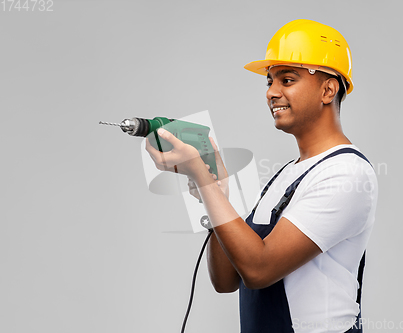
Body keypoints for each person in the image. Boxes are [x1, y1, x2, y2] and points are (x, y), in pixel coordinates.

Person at [146, 19, 378, 333]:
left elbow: (258, 269)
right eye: (269, 82)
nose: (271, 92)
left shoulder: (346, 174)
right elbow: (226, 279)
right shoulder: (286, 175)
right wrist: (217, 190)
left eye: (287, 79)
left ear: (328, 89)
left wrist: (202, 178)